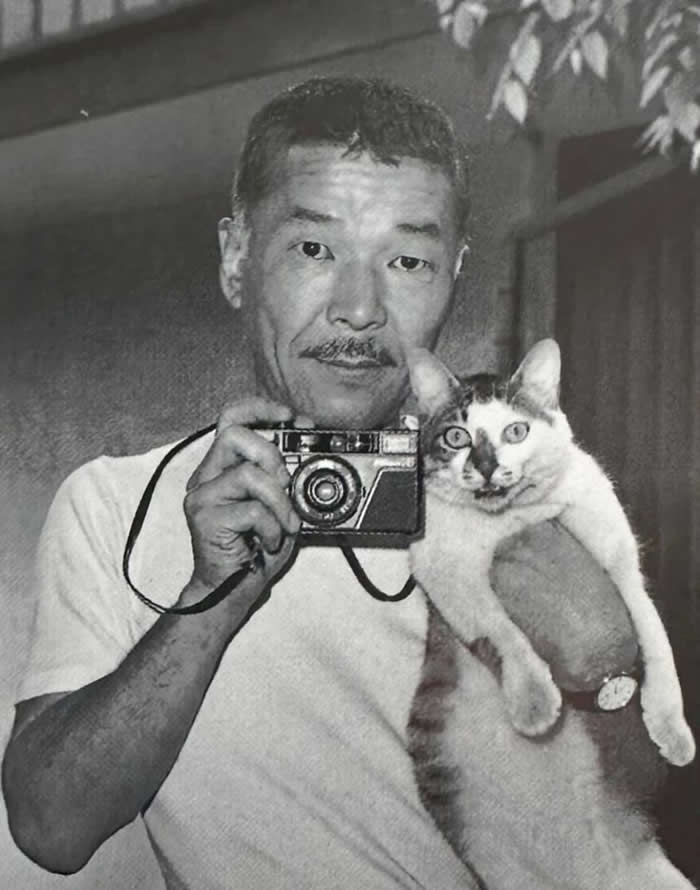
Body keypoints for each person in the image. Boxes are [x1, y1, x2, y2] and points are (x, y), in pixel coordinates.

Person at [2, 76, 642, 890]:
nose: (360, 308)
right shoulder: (114, 504)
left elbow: (636, 819)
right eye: (313, 249)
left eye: (407, 259)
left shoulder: (524, 499)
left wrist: (610, 668)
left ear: (453, 276)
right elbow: (51, 826)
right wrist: (212, 598)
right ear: (237, 259)